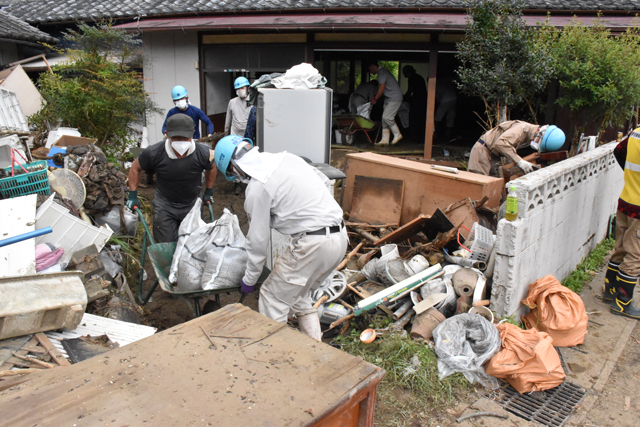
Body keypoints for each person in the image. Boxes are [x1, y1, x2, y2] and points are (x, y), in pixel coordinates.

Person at [213, 135, 348, 340]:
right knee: (299, 297)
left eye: (232, 174)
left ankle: (277, 361)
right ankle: (315, 350)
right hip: (340, 237)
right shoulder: (287, 158)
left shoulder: (258, 188)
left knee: (272, 297)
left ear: (234, 168)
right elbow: (323, 180)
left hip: (313, 244)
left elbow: (258, 242)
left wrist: (250, 279)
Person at [127, 114, 217, 243]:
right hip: (165, 205)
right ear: (167, 134)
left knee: (192, 245)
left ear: (192, 133)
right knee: (167, 245)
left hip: (192, 204)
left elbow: (212, 167)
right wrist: (132, 196)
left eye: (185, 138)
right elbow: (135, 168)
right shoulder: (154, 152)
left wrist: (209, 192)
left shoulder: (203, 153)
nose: (181, 141)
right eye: (176, 138)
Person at [605, 129, 640, 319]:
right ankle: (622, 303)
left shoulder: (636, 133)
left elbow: (618, 151)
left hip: (626, 199)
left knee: (619, 247)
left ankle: (609, 291)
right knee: (635, 254)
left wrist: (631, 178)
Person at [468, 121, 565, 176]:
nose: (535, 144)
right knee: (478, 184)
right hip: (483, 150)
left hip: (492, 154)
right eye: (538, 142)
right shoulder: (521, 129)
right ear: (539, 132)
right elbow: (500, 143)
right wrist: (520, 161)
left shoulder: (528, 136)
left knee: (491, 183)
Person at [368, 60, 404, 145]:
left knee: (387, 117)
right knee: (384, 120)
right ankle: (384, 140)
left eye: (369, 69)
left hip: (394, 97)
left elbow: (382, 87)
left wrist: (375, 98)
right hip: (389, 98)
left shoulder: (382, 72)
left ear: (372, 67)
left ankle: (397, 134)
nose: (370, 71)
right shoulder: (383, 72)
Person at [402, 65, 427, 142]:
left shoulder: (412, 78)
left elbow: (410, 91)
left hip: (418, 101)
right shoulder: (418, 77)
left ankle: (415, 137)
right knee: (421, 120)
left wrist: (403, 98)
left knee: (414, 119)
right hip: (423, 100)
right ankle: (421, 137)